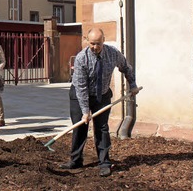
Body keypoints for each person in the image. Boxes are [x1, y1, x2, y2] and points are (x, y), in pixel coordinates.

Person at [59, 28, 140, 177]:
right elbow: (82, 87)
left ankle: (104, 163)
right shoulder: (81, 58)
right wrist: (85, 112)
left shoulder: (112, 53)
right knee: (80, 126)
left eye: (98, 44)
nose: (95, 47)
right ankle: (75, 160)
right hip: (79, 94)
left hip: (101, 95)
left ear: (103, 40)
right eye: (92, 44)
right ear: (87, 41)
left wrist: (133, 85)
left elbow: (126, 67)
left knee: (102, 128)